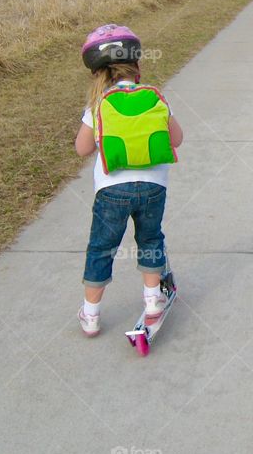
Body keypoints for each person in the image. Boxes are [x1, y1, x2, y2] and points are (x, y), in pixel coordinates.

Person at [73, 24, 183, 336]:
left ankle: (91, 315)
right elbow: (178, 138)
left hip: (111, 192)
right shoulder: (153, 99)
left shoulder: (97, 105)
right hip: (153, 188)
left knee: (102, 248)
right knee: (150, 239)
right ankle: (152, 300)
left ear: (98, 75)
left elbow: (82, 148)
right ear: (137, 68)